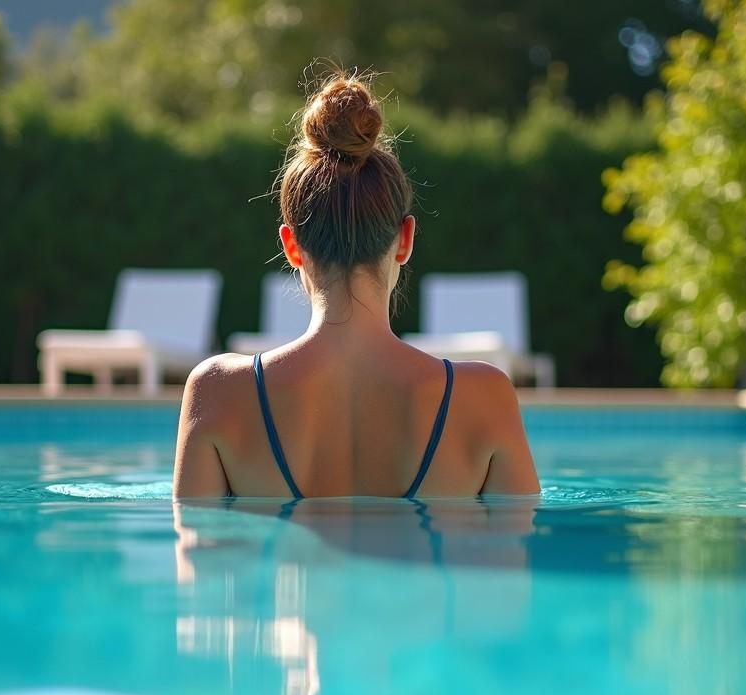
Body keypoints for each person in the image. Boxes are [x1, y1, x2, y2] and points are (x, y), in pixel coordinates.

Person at [173, 73, 538, 499]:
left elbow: (199, 558)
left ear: (291, 246)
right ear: (405, 240)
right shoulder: (485, 397)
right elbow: (512, 557)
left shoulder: (218, 391)